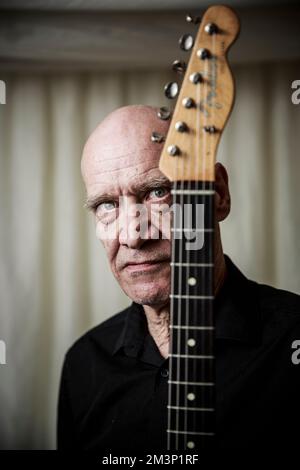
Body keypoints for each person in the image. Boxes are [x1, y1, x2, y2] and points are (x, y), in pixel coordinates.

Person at [57, 105, 300, 451]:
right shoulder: (83, 365)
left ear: (217, 194)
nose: (132, 236)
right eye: (106, 205)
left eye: (157, 192)